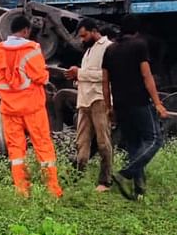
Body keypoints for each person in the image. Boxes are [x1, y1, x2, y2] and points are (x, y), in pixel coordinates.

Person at [0, 15, 63, 198]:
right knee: (43, 146)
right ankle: (52, 190)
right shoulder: (32, 49)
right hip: (33, 108)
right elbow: (41, 77)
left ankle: (22, 191)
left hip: (9, 109)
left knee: (16, 150)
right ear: (26, 30)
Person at [102, 15, 168, 200]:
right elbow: (147, 77)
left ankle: (139, 189)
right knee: (155, 139)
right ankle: (125, 174)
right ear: (137, 31)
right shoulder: (139, 45)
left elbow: (105, 82)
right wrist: (157, 103)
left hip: (121, 104)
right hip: (139, 101)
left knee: (134, 144)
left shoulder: (110, 50)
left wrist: (109, 107)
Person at [65, 18, 113, 192]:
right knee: (81, 143)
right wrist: (76, 77)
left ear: (94, 31)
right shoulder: (89, 51)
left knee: (103, 142)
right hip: (84, 100)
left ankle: (105, 180)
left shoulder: (108, 47)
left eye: (84, 35)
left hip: (99, 99)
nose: (82, 40)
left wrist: (80, 73)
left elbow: (106, 76)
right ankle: (77, 178)